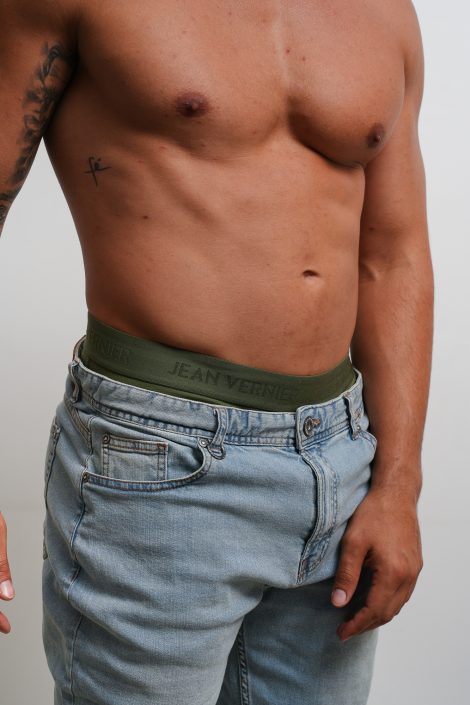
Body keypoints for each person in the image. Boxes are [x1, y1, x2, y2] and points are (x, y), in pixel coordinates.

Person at [0, 1, 433, 703]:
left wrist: (399, 485)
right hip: (156, 459)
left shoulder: (384, 12)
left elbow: (395, 252)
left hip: (340, 459)